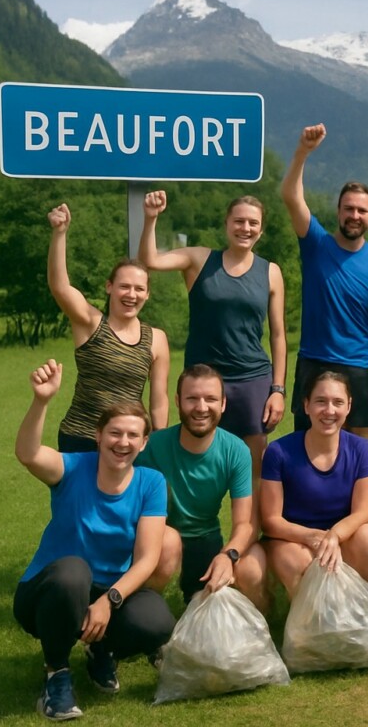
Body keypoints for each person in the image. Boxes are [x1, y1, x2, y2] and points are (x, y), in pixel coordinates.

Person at [13, 359, 174, 720]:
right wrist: (41, 401)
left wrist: (109, 600)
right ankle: (56, 674)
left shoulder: (151, 483)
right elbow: (27, 454)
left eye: (133, 435)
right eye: (115, 433)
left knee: (157, 622)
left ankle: (100, 649)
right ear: (99, 436)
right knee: (74, 572)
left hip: (105, 590)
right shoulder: (72, 468)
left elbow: (148, 558)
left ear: (145, 441)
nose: (123, 442)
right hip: (47, 592)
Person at [138, 189, 287, 482]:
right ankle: (190, 526)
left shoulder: (270, 272)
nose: (245, 228)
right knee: (193, 462)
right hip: (202, 379)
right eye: (239, 221)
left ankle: (250, 528)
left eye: (253, 223)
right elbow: (150, 260)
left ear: (261, 229)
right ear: (226, 224)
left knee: (253, 468)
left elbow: (279, 335)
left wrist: (278, 390)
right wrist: (150, 219)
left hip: (251, 379)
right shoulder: (199, 259)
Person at [280, 124, 368, 442]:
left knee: (360, 451)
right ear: (338, 212)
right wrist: (303, 152)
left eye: (362, 210)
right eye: (349, 209)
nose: (354, 215)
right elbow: (290, 195)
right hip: (313, 360)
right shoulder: (315, 243)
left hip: (358, 364)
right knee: (305, 448)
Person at [138, 365, 268, 610]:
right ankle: (141, 610)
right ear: (177, 401)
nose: (201, 407)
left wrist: (227, 555)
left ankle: (264, 629)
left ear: (223, 404)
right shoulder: (153, 446)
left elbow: (245, 524)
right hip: (159, 537)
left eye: (210, 399)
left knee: (206, 606)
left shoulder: (236, 450)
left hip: (205, 538)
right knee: (166, 544)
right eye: (192, 398)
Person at [47, 203, 169, 452]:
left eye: (139, 289)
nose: (131, 294)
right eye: (124, 286)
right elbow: (60, 287)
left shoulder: (156, 339)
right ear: (109, 287)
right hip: (81, 438)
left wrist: (159, 442)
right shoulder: (90, 323)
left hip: (127, 443)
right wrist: (59, 233)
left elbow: (158, 400)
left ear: (148, 294)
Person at [261, 371, 368, 596]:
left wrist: (335, 536)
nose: (329, 410)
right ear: (306, 405)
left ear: (348, 406)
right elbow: (271, 522)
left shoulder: (363, 450)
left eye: (338, 402)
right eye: (321, 401)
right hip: (293, 539)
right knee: (299, 564)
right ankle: (308, 624)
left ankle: (363, 610)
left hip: (344, 535)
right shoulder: (278, 452)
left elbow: (365, 513)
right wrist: (311, 537)